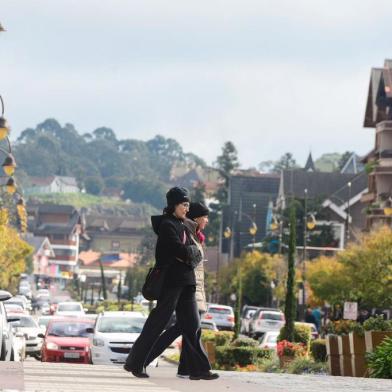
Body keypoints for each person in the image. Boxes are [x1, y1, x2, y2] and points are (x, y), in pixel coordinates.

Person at [124, 188, 218, 381]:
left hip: (188, 282)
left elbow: (193, 252)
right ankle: (135, 363)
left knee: (193, 326)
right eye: (183, 205)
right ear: (173, 205)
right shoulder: (167, 225)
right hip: (172, 282)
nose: (186, 209)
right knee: (157, 323)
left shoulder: (183, 225)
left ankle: (199, 369)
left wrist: (189, 253)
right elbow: (181, 250)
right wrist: (189, 253)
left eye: (188, 205)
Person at [143, 202, 211, 378]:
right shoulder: (187, 234)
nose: (207, 221)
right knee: (184, 329)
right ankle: (144, 359)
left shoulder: (197, 237)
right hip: (188, 290)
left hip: (194, 290)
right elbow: (187, 265)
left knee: (190, 330)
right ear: (196, 218)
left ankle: (187, 369)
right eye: (205, 217)